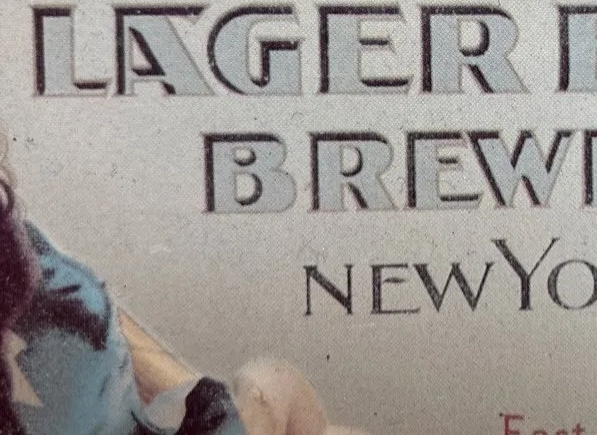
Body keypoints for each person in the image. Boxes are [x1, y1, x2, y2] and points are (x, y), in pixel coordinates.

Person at [0, 177, 366, 435]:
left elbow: (126, 352)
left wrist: (233, 412)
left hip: (162, 422)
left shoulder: (19, 242)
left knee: (275, 385)